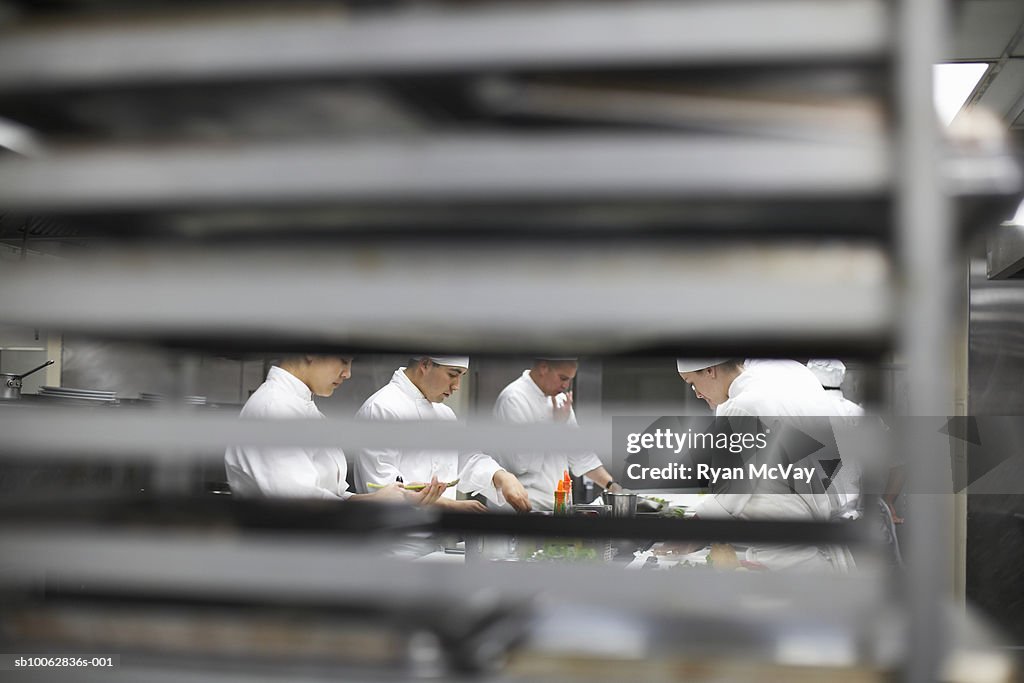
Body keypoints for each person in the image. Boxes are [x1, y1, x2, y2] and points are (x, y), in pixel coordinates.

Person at [675, 358, 854, 572]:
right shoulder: (788, 375)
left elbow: (727, 498)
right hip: (811, 538)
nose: (696, 393)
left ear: (710, 370)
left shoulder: (745, 404)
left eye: (692, 383)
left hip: (788, 559)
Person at [224, 355, 445, 505]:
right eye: (342, 361)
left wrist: (389, 498)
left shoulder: (303, 408)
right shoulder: (274, 409)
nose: (347, 373)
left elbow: (332, 496)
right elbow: (303, 505)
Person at [354, 356, 532, 513]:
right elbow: (383, 488)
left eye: (462, 377)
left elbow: (464, 459)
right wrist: (449, 505)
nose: (456, 386)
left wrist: (500, 476)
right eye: (452, 375)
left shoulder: (444, 414)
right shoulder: (381, 409)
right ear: (425, 364)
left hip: (438, 540)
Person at [492, 358, 620, 511]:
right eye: (563, 378)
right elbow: (520, 464)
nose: (566, 385)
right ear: (543, 368)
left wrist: (611, 485)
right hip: (519, 508)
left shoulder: (560, 401)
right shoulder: (513, 399)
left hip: (556, 507)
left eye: (570, 380)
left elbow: (580, 455)